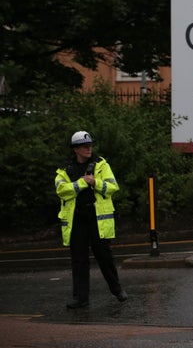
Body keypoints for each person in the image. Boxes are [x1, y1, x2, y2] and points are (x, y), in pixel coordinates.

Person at [55, 131, 127, 309]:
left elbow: (113, 187)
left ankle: (117, 290)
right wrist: (82, 183)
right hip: (76, 219)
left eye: (90, 145)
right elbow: (61, 190)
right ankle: (81, 298)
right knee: (79, 260)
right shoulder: (65, 169)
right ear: (76, 149)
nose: (89, 149)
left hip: (97, 218)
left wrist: (96, 183)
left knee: (104, 256)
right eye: (84, 146)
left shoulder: (101, 165)